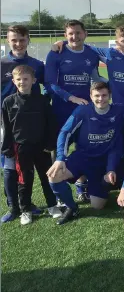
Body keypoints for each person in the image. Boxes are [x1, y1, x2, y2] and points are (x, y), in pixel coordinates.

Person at [46, 82, 124, 225]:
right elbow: (65, 132)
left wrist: (110, 168)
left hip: (101, 162)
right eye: (97, 96)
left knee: (98, 205)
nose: (101, 99)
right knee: (54, 176)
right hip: (82, 157)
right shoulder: (82, 111)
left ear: (110, 96)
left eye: (104, 95)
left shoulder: (118, 111)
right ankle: (72, 207)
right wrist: (60, 158)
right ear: (90, 96)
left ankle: (94, 183)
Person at [1, 65, 61, 225]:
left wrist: (50, 143)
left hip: (41, 147)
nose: (22, 82)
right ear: (13, 81)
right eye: (19, 79)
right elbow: (6, 127)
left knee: (47, 177)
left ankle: (52, 205)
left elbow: (51, 124)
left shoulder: (42, 101)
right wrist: (6, 148)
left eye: (26, 79)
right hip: (21, 148)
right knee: (24, 180)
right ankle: (25, 210)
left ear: (34, 81)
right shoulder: (8, 102)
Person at [1, 25, 47, 221]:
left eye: (22, 39)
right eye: (14, 40)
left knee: (29, 167)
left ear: (28, 40)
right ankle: (13, 207)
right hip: (7, 124)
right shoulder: (2, 64)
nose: (18, 43)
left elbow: (50, 88)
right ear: (7, 41)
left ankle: (27, 203)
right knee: (10, 166)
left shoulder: (37, 65)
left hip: (31, 127)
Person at [51, 25, 124, 107]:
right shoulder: (109, 54)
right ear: (117, 43)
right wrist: (63, 43)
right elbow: (81, 45)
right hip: (117, 108)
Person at [45, 20, 101, 130]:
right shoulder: (56, 53)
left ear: (85, 34)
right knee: (61, 143)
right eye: (71, 34)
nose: (74, 36)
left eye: (78, 33)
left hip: (85, 106)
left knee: (84, 144)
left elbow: (96, 79)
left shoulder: (93, 54)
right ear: (65, 35)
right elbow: (50, 83)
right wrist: (71, 98)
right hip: (61, 107)